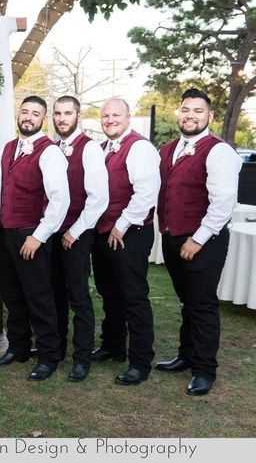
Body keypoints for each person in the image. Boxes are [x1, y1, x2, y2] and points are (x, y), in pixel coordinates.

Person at [155, 88, 242, 396]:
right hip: (172, 236)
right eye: (186, 109)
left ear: (210, 116)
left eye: (198, 110)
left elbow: (223, 204)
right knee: (187, 301)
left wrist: (198, 239)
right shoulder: (168, 149)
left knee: (203, 304)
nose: (190, 115)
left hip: (204, 240)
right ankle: (186, 355)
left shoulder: (219, 151)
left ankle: (205, 370)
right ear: (178, 112)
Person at [0, 96, 70, 381]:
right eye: (25, 112)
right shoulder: (9, 148)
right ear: (18, 114)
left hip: (32, 235)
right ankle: (19, 348)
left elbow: (60, 200)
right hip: (8, 233)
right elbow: (4, 190)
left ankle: (48, 355)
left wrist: (39, 237)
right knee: (13, 295)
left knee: (39, 298)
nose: (29, 117)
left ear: (42, 119)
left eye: (36, 114)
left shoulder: (50, 153)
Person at [91, 97, 160, 386]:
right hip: (104, 232)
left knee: (133, 296)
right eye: (105, 115)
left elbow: (145, 194)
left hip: (130, 232)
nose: (110, 120)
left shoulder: (140, 147)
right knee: (109, 293)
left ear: (129, 117)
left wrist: (119, 226)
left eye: (116, 115)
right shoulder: (103, 149)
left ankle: (140, 361)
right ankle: (113, 345)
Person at [49, 96, 109, 382]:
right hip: (52, 233)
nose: (62, 118)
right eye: (58, 113)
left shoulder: (91, 149)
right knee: (55, 293)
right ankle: (56, 348)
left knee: (79, 297)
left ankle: (82, 357)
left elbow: (99, 199)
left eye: (68, 113)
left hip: (77, 233)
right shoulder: (50, 147)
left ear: (78, 116)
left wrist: (75, 231)